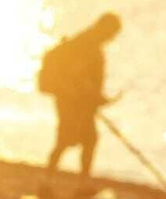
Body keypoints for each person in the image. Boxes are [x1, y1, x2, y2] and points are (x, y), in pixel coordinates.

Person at [40, 12, 122, 179]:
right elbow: (78, 76)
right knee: (66, 141)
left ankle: (75, 184)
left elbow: (84, 78)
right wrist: (93, 96)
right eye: (112, 33)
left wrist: (95, 97)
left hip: (79, 102)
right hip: (72, 102)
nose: (112, 38)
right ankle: (47, 183)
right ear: (104, 28)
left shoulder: (88, 42)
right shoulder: (86, 44)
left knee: (86, 140)